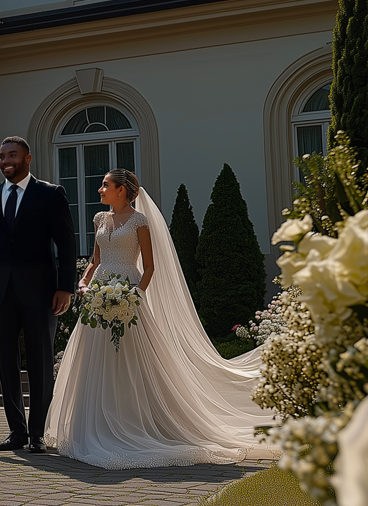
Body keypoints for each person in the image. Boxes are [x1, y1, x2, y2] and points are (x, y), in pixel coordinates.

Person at [46, 168, 272, 469]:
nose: (99, 190)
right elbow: (95, 260)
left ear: (122, 190)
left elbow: (150, 266)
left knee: (133, 360)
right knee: (93, 358)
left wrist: (136, 294)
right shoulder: (100, 219)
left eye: (105, 185)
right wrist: (84, 283)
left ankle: (134, 420)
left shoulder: (140, 222)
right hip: (98, 295)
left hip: (128, 292)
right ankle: (93, 424)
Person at [0, 136, 77, 453]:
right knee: (7, 364)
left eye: (12, 155)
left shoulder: (50, 194)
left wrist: (65, 286)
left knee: (41, 364)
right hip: (0, 293)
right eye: (1, 156)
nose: (5, 161)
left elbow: (66, 244)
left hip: (41, 292)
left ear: (27, 159)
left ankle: (38, 433)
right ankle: (17, 431)